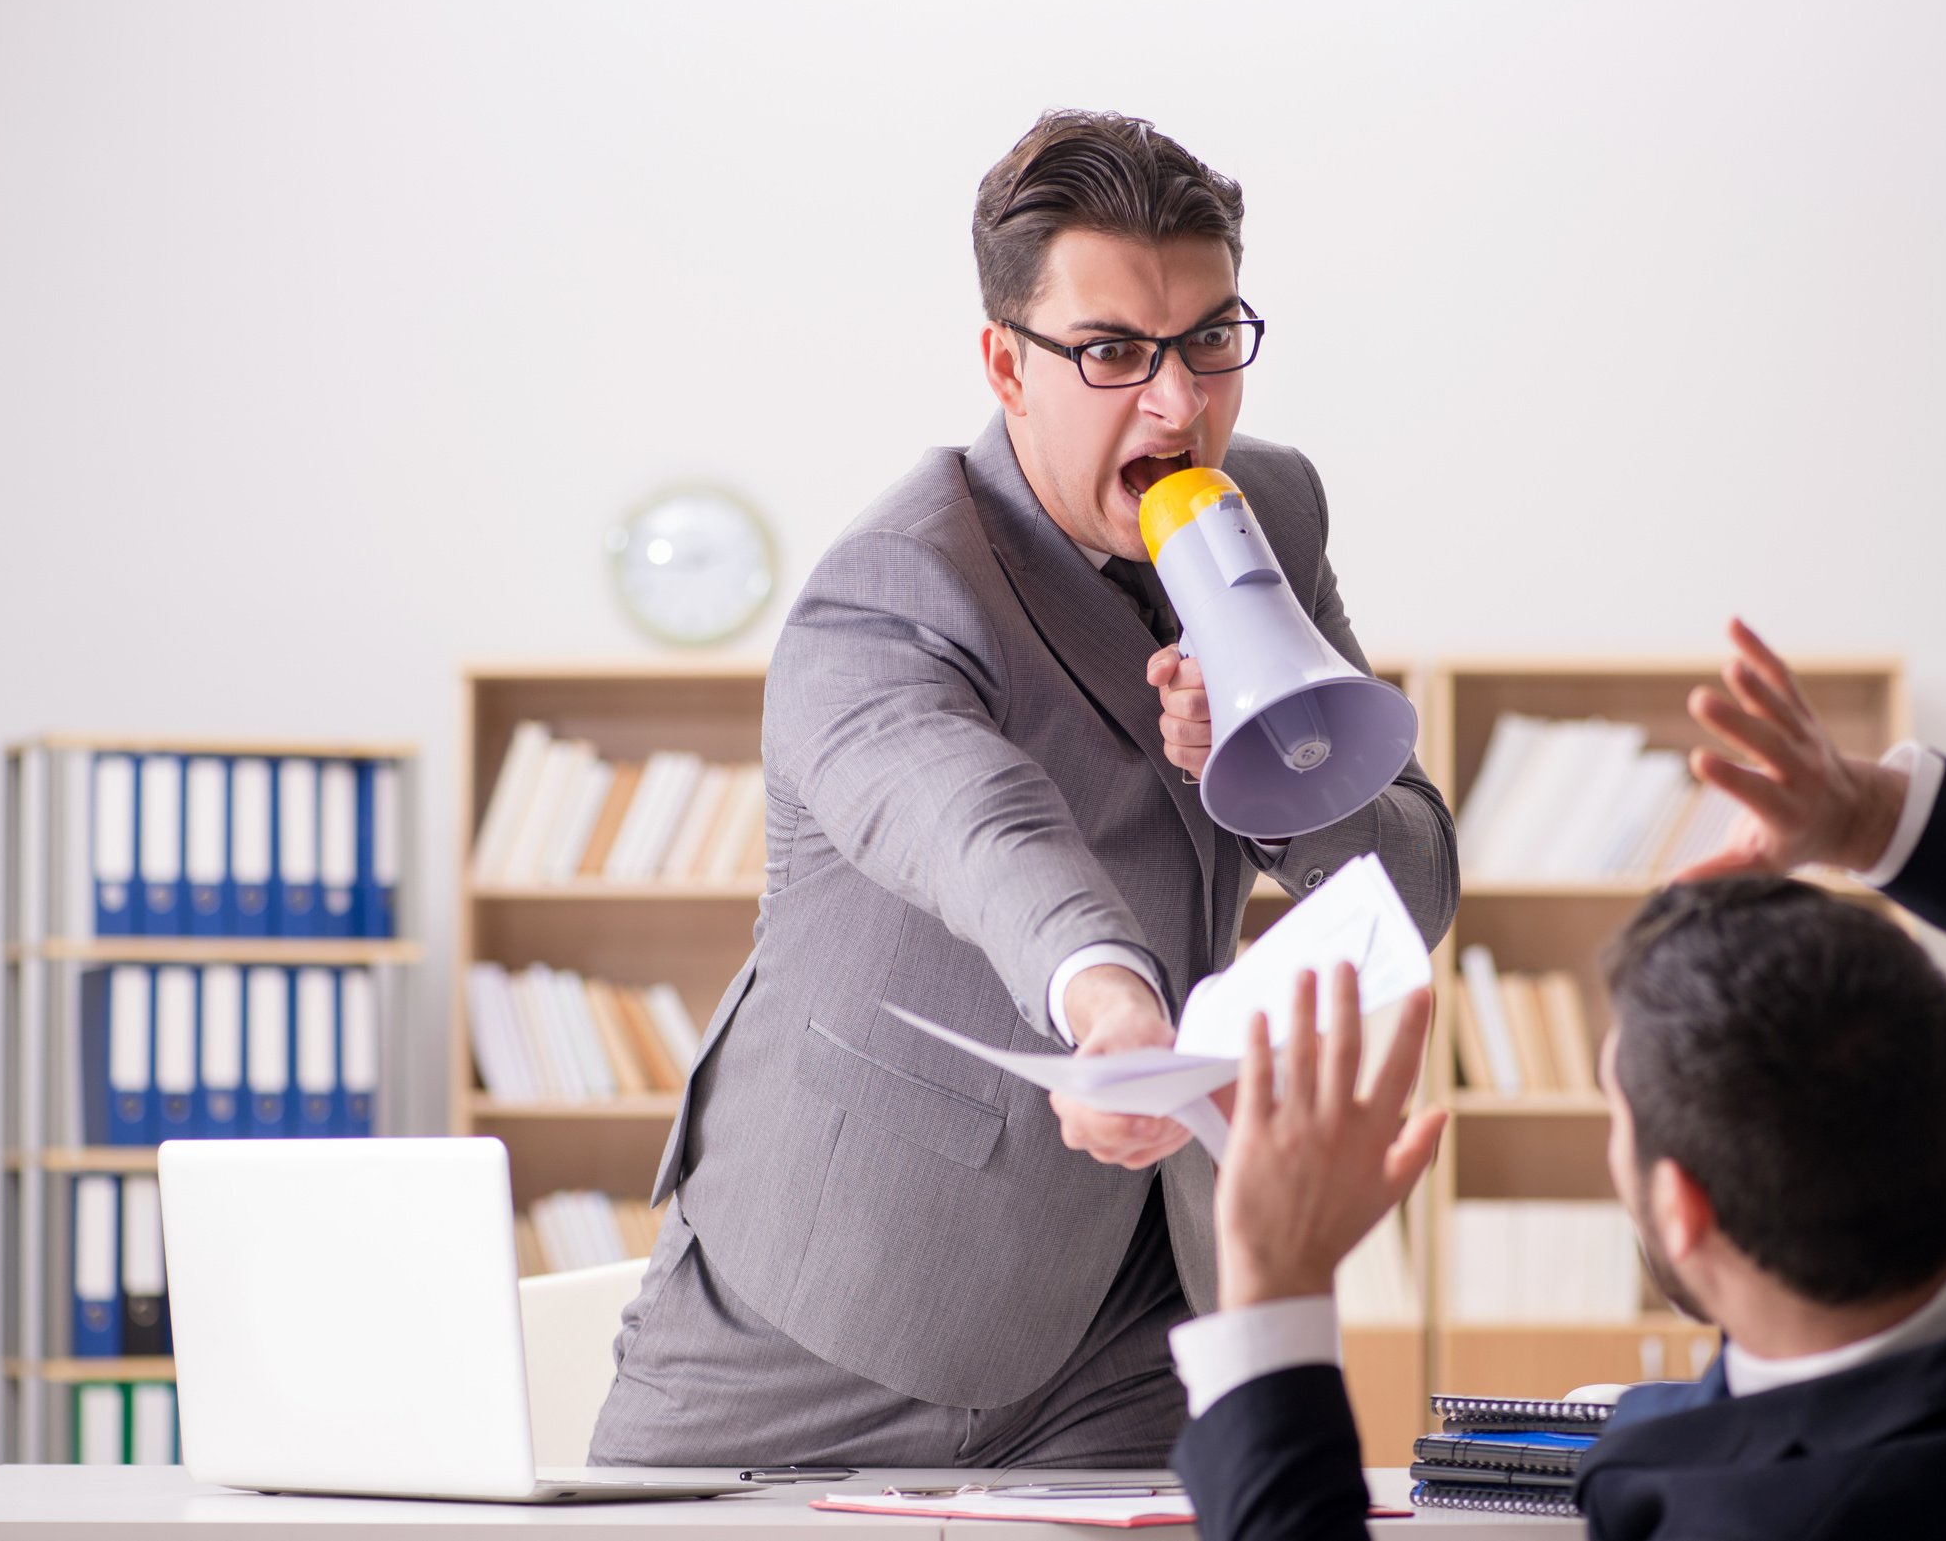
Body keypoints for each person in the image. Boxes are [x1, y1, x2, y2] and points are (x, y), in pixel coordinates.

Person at [586, 110, 1457, 1469]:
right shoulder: (895, 580)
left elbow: (1413, 880)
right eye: (1111, 353)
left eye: (1210, 340)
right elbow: (975, 823)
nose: (1179, 406)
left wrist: (1276, 778)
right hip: (837, 1302)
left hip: (1142, 1315)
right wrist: (1105, 1000)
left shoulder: (1267, 511)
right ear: (1005, 362)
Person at [1172, 618, 1946, 1540]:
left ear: (1682, 1209)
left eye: (1615, 1108)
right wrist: (1873, 818)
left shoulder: (1750, 1515)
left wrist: (1271, 1289)